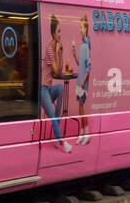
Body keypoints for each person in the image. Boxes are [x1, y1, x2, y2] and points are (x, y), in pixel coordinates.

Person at [39, 14, 74, 153]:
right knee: (53, 114)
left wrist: (60, 53)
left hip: (49, 89)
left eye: (61, 31)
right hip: (41, 89)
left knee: (61, 88)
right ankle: (62, 141)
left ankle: (56, 129)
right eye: (58, 31)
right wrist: (58, 52)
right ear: (53, 33)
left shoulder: (55, 48)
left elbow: (58, 73)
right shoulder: (49, 49)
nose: (60, 34)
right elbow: (56, 71)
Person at [73, 14, 92, 145]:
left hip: (82, 82)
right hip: (80, 81)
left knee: (81, 108)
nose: (80, 29)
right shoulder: (82, 46)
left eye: (81, 27)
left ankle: (87, 133)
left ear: (85, 29)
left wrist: (83, 83)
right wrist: (74, 54)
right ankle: (82, 133)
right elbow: (81, 65)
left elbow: (89, 67)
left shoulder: (86, 46)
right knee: (80, 108)